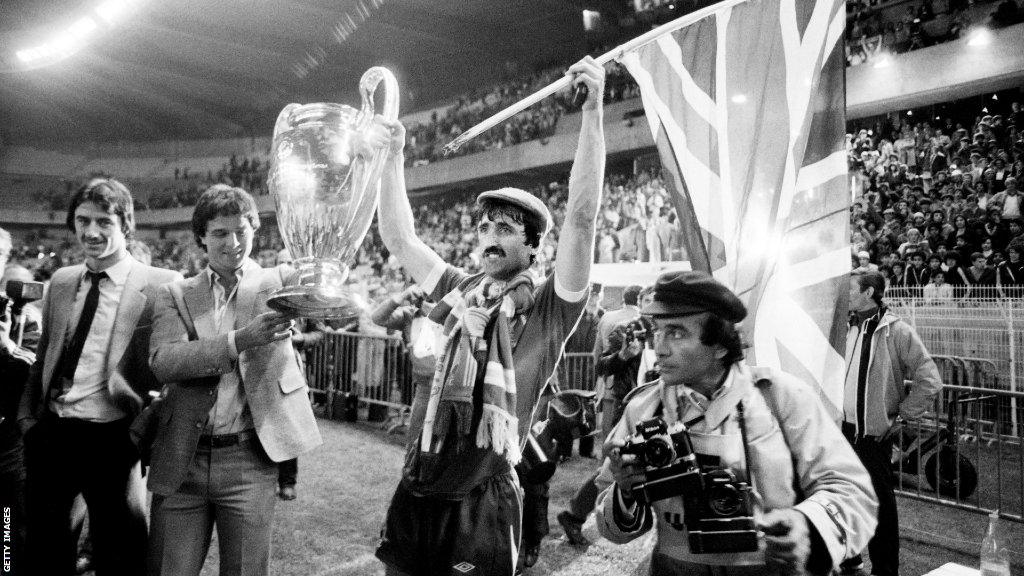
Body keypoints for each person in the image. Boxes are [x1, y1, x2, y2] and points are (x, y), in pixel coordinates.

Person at [372, 56, 606, 576]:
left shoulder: (550, 307)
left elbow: (584, 219)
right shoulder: (461, 289)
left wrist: (592, 116)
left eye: (504, 227)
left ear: (532, 246)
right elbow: (398, 238)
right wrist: (393, 158)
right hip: (419, 478)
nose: (489, 237)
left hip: (483, 496)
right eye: (484, 227)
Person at [596, 270, 877, 576]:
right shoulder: (645, 410)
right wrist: (625, 490)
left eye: (676, 333)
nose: (659, 347)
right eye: (658, 331)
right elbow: (612, 529)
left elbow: (852, 490)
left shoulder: (781, 398)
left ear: (720, 345)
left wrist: (807, 527)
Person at [145, 184, 323, 576]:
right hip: (182, 458)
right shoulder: (174, 293)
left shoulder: (279, 282)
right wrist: (240, 341)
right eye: (220, 232)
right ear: (201, 239)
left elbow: (325, 280)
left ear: (255, 231)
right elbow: (165, 361)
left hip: (249, 459)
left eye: (242, 230)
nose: (233, 241)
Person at [17, 178, 183, 576]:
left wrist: (141, 431)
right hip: (52, 432)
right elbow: (43, 357)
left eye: (104, 222)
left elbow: (171, 370)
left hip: (114, 436)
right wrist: (28, 420)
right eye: (82, 220)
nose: (91, 232)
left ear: (126, 225)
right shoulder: (60, 281)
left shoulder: (161, 284)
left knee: (122, 557)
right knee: (42, 554)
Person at [843, 271, 941, 576]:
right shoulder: (846, 327)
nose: (845, 295)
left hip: (873, 436)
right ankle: (849, 558)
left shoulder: (895, 330)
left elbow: (930, 379)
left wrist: (902, 415)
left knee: (880, 506)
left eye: (851, 289)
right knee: (841, 496)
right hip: (841, 432)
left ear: (869, 292)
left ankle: (885, 570)